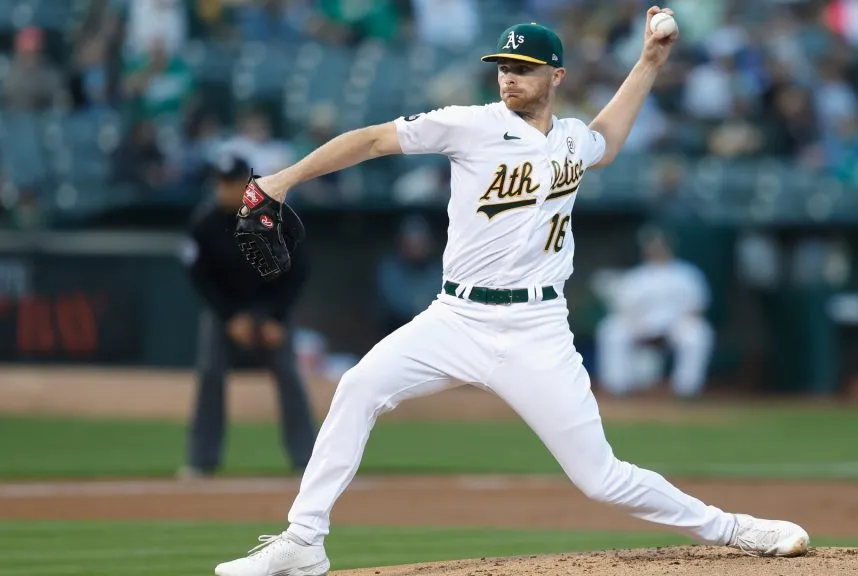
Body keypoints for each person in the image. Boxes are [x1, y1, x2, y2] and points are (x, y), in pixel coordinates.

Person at [213, 10, 809, 576]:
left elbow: (607, 137)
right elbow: (372, 141)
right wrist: (279, 181)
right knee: (359, 386)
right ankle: (303, 542)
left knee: (599, 477)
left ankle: (735, 529)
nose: (508, 76)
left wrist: (650, 60)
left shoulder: (572, 141)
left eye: (522, 68)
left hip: (537, 330)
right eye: (503, 66)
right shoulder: (470, 124)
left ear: (556, 76)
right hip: (454, 317)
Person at [181, 152, 317, 479]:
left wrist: (276, 317)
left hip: (271, 313)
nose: (225, 189)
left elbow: (298, 270)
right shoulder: (205, 223)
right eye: (221, 183)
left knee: (288, 376)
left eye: (232, 182)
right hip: (226, 314)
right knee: (211, 374)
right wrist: (230, 317)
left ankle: (308, 461)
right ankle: (201, 461)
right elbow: (200, 278)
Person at [595, 225, 714, 398]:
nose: (656, 249)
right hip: (642, 323)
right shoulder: (637, 276)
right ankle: (617, 387)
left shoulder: (687, 273)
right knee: (612, 330)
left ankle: (687, 389)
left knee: (697, 334)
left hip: (677, 324)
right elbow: (623, 308)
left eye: (660, 245)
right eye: (652, 246)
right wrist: (636, 321)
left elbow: (698, 306)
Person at [375, 214, 443, 336]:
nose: (417, 247)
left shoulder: (438, 270)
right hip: (396, 332)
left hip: (432, 334)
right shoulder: (389, 267)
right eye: (412, 242)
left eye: (421, 242)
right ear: (402, 243)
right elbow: (394, 303)